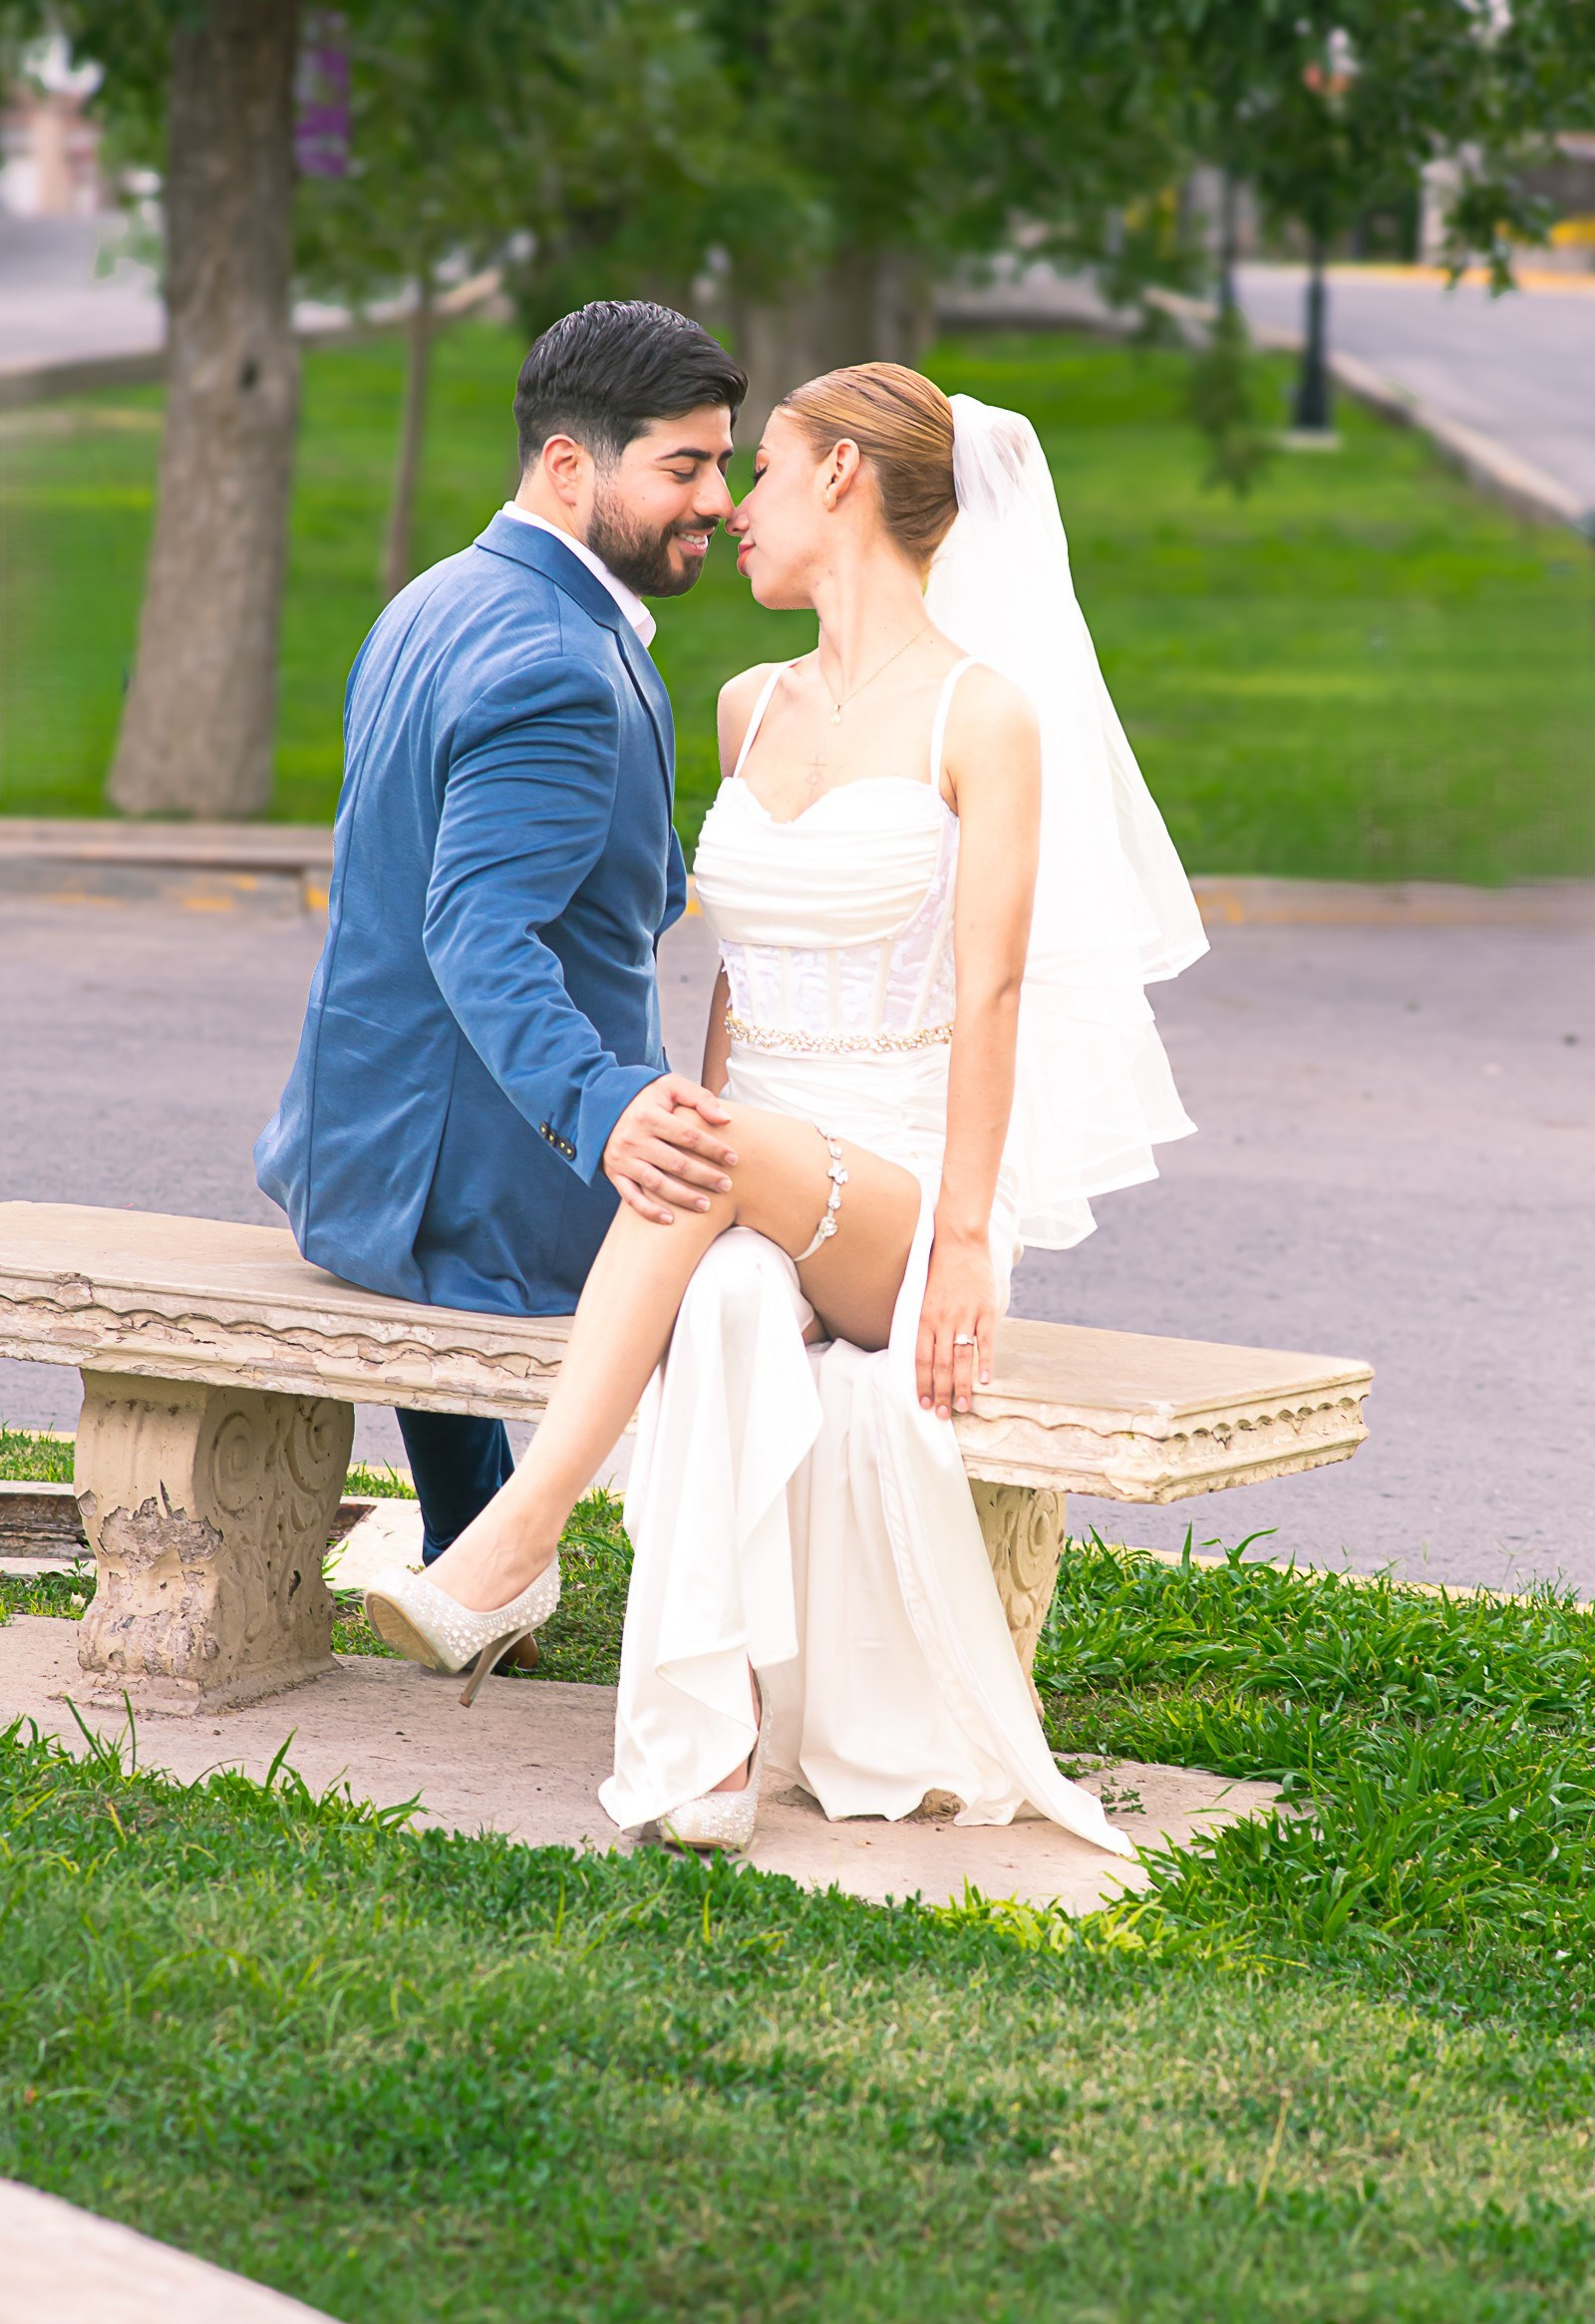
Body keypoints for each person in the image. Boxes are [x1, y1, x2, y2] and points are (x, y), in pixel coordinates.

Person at [364, 360, 1208, 1856]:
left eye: (759, 471)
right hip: (758, 1168)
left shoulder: (982, 715)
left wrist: (960, 1242)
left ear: (843, 481)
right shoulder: (751, 706)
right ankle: (712, 1749)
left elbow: (996, 996)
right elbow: (737, 987)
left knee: (699, 1154)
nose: (730, 508)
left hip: (907, 1194)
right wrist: (710, 1124)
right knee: (736, 1281)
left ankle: (520, 1531)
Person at [255, 301, 748, 1590]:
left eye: (725, 462)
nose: (721, 498)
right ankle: (732, 1609)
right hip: (471, 1190)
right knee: (793, 1270)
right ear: (573, 466)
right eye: (685, 467)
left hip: (350, 1150)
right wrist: (605, 1109)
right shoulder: (558, 668)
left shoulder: (438, 596)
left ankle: (473, 1547)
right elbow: (477, 931)